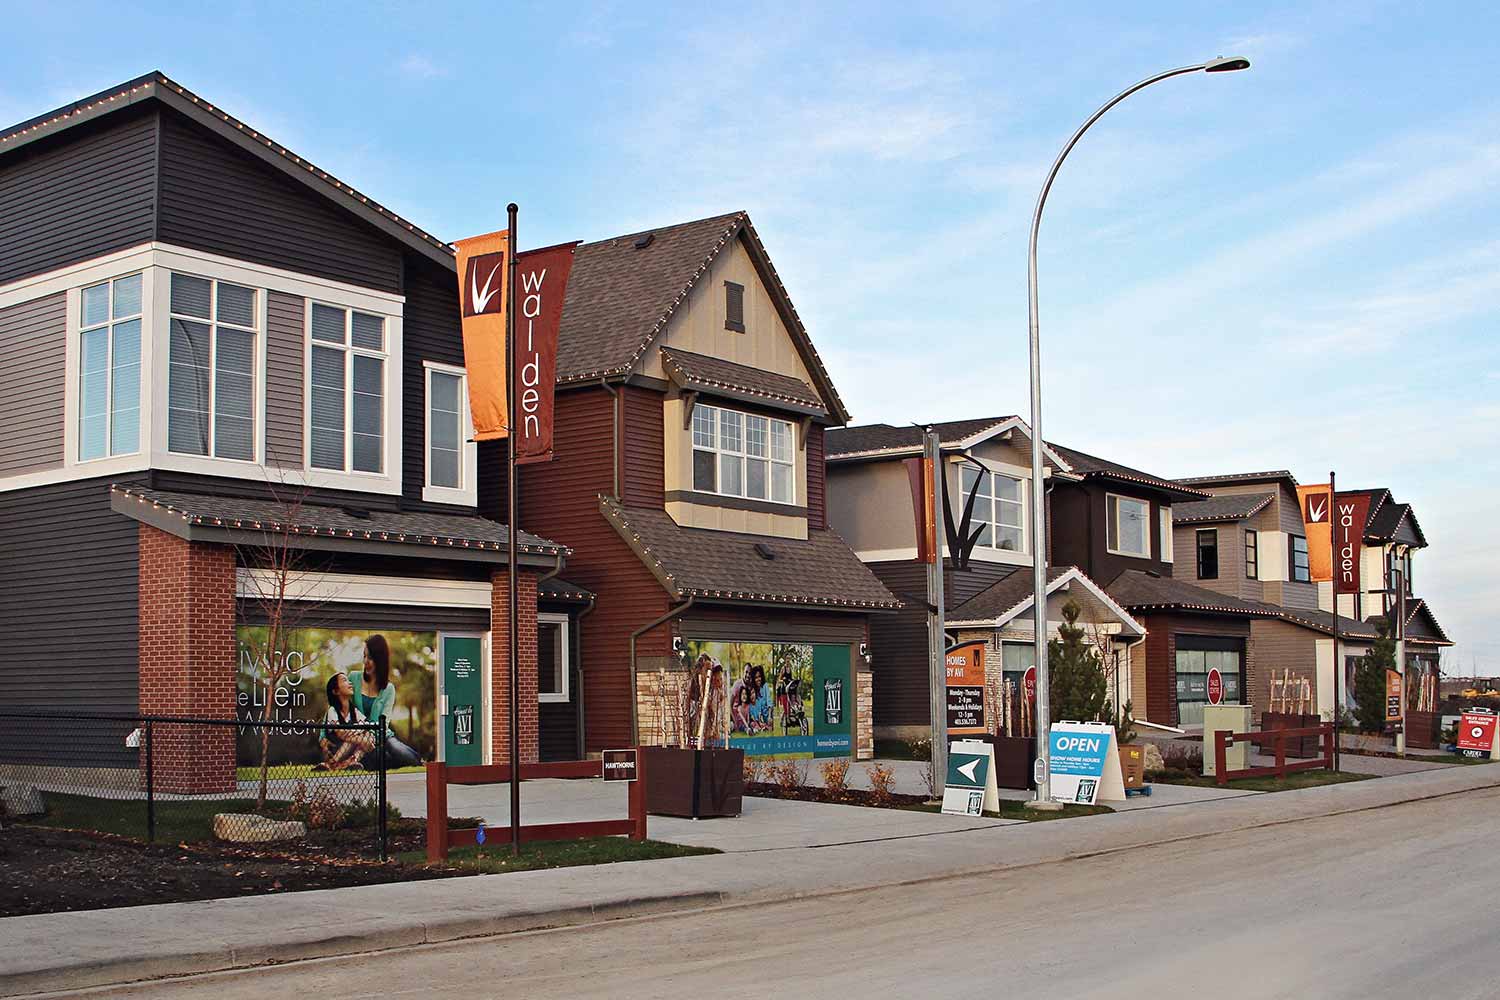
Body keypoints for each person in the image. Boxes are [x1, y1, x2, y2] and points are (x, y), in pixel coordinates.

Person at [348, 634, 423, 769]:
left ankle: (419, 761)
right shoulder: (353, 678)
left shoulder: (388, 689)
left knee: (401, 753)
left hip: (382, 735)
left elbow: (384, 723)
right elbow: (338, 707)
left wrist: (370, 737)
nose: (366, 662)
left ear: (380, 659)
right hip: (358, 738)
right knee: (380, 759)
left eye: (370, 658)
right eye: (364, 656)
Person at [317, 673, 374, 770]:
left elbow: (367, 730)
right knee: (362, 739)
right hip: (335, 749)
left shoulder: (355, 712)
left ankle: (349, 762)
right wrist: (364, 740)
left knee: (369, 735)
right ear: (336, 691)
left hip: (352, 749)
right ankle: (333, 762)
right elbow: (340, 734)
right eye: (344, 680)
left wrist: (365, 737)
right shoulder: (333, 711)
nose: (350, 683)